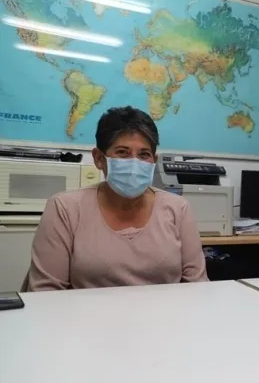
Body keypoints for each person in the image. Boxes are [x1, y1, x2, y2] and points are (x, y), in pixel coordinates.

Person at [27, 106, 208, 291]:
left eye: (144, 155)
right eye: (122, 152)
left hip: (165, 310)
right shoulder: (65, 208)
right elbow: (45, 292)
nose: (134, 163)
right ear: (99, 158)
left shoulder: (178, 208)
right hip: (88, 310)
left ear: (154, 161)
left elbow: (197, 285)